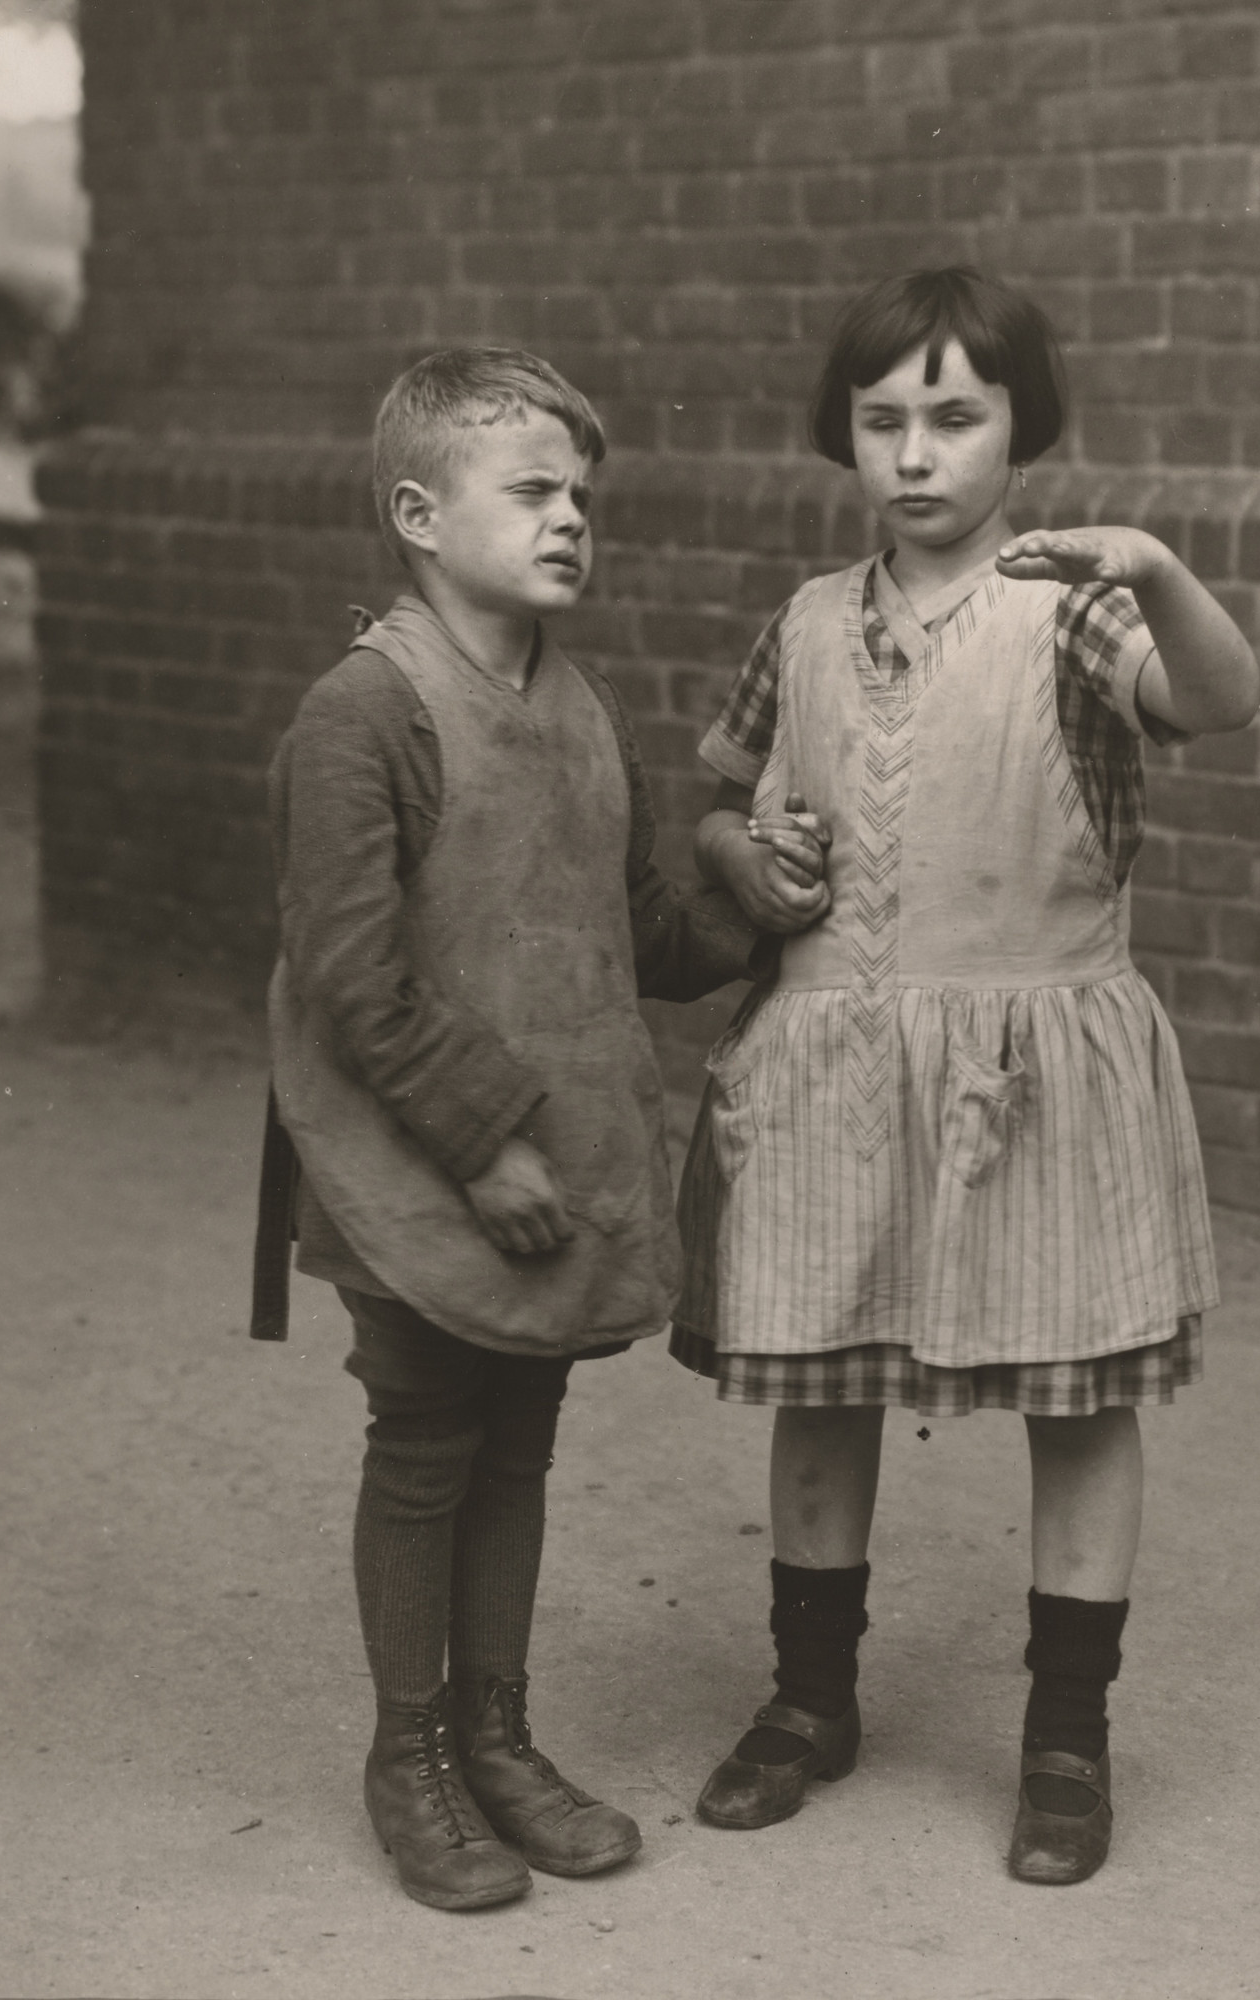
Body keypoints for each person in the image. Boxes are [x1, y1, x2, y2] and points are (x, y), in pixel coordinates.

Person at [672, 267, 1260, 1884]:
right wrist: (746, 849)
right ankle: (808, 1703)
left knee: (1074, 1400)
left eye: (954, 415)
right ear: (843, 436)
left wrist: (1157, 570)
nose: (915, 454)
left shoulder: (1072, 602)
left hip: (1031, 1060)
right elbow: (721, 802)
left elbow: (1215, 701)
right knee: (816, 1381)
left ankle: (1065, 1740)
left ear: (1020, 428)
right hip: (830, 1063)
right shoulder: (798, 619)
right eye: (882, 421)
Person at [249, 346, 792, 1911]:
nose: (571, 520)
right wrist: (481, 1142)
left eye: (582, 495)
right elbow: (351, 975)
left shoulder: (580, 707)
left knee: (521, 1446)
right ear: (419, 513)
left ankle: (497, 1738)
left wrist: (754, 909)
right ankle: (407, 1755)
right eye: (534, 490)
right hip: (416, 1164)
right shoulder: (366, 712)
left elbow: (631, 937)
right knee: (426, 1443)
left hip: (549, 1171)